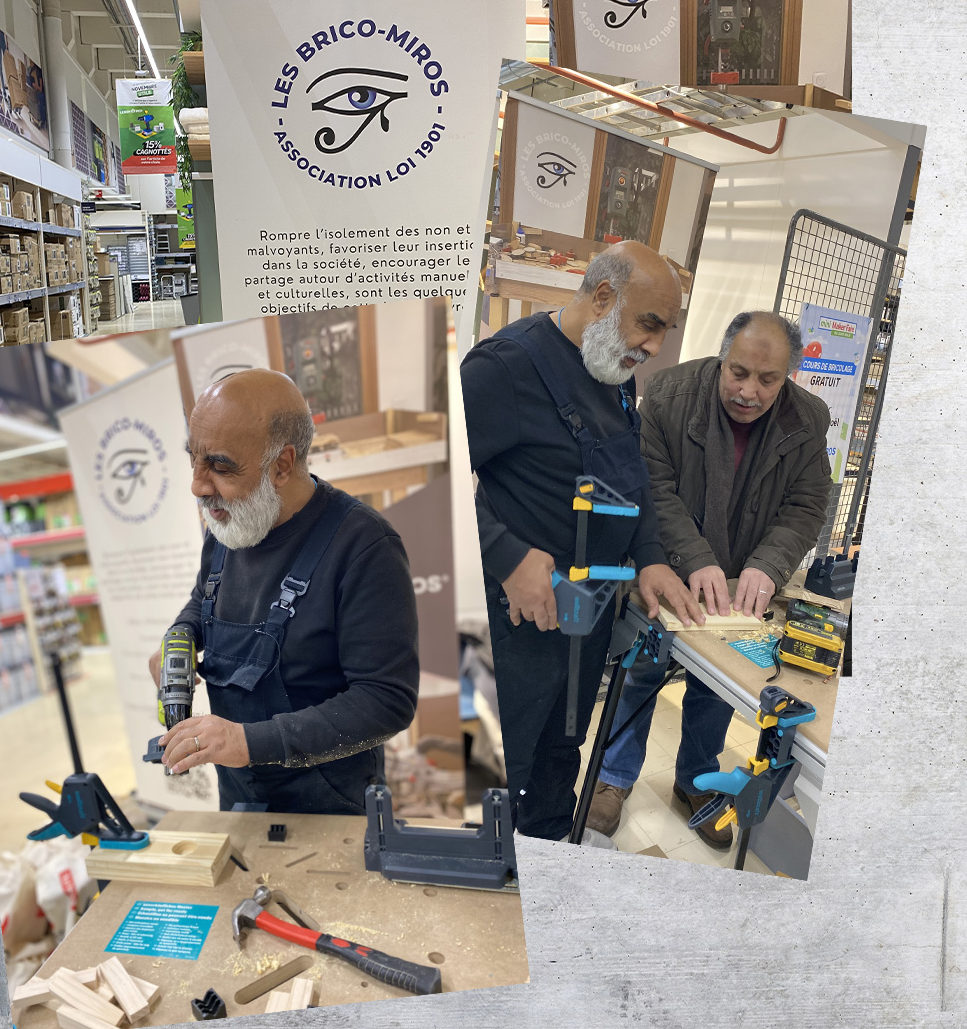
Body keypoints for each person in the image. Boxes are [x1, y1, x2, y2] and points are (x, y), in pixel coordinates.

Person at [462, 241, 703, 844]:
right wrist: (505, 554)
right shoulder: (503, 367)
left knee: (558, 754)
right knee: (489, 771)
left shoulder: (613, 373)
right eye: (649, 325)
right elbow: (423, 484)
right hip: (513, 624)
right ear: (602, 298)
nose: (654, 347)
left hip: (586, 619)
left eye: (663, 331)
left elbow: (633, 479)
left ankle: (542, 871)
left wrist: (648, 555)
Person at [587, 311, 832, 848]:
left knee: (716, 685)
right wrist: (694, 557)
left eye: (768, 380)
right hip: (666, 569)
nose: (749, 391)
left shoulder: (809, 418)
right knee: (643, 672)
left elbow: (807, 503)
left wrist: (767, 566)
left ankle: (694, 779)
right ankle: (613, 777)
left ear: (789, 374)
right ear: (722, 359)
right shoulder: (672, 393)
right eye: (738, 373)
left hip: (742, 581)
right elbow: (652, 487)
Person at [149, 369, 419, 813]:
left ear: (281, 464)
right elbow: (205, 599)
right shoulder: (228, 523)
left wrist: (246, 741)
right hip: (241, 800)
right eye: (193, 460)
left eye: (219, 465)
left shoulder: (364, 547)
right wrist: (181, 634)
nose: (197, 484)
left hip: (332, 812)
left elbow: (386, 700)